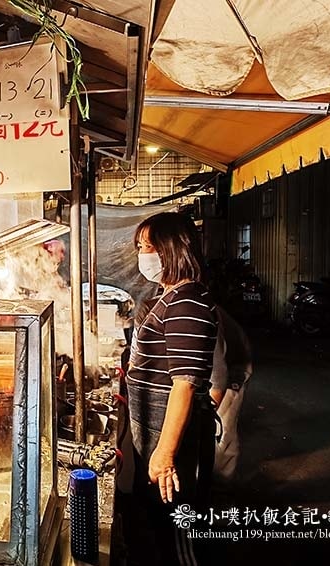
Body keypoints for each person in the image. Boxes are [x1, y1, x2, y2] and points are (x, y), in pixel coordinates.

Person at [126, 212, 218, 566]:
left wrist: (164, 455)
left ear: (174, 248)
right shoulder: (169, 297)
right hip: (155, 433)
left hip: (172, 439)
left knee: (178, 535)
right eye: (139, 247)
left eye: (150, 246)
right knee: (158, 526)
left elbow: (183, 385)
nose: (143, 254)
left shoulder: (187, 302)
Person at [209, 307, 253, 484]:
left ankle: (222, 487)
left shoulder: (203, 314)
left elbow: (218, 375)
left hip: (233, 370)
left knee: (223, 431)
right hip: (220, 366)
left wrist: (210, 408)